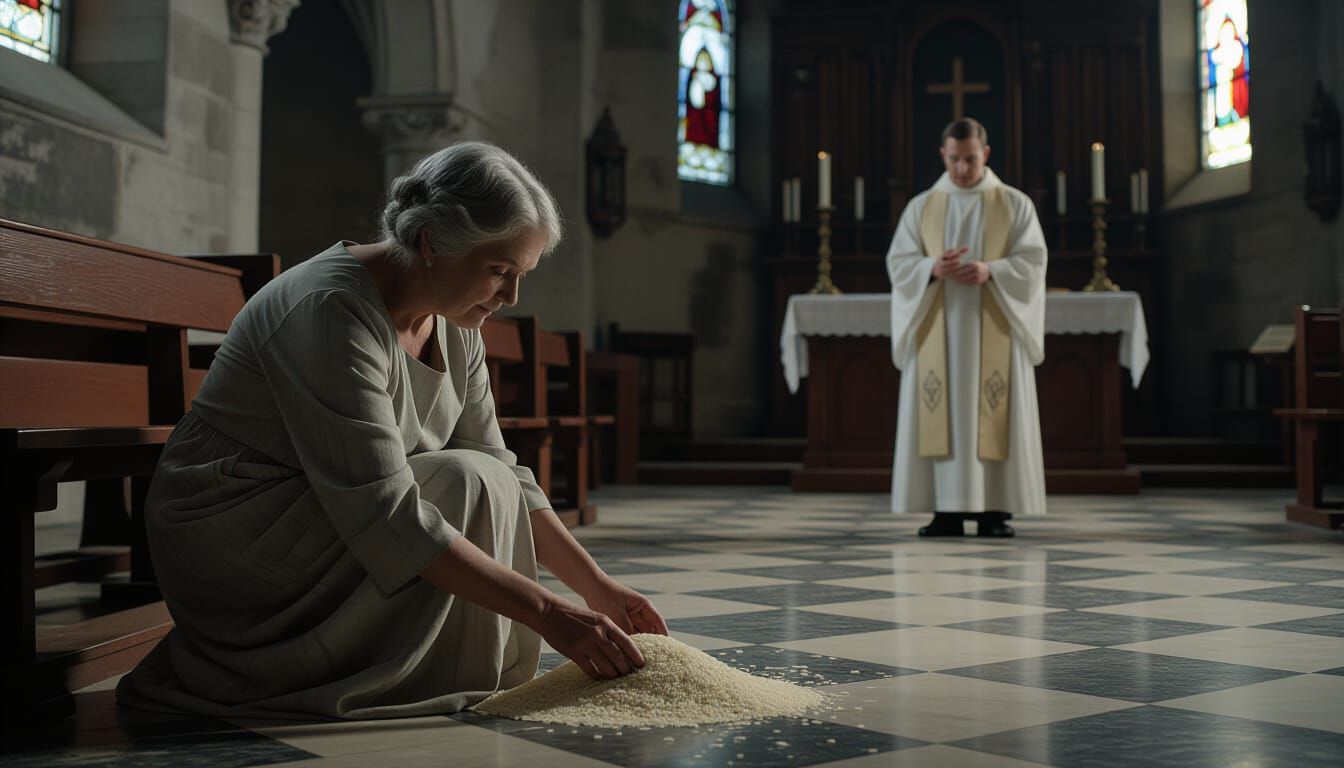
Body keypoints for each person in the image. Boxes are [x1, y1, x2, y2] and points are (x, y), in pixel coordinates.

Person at [117, 142, 669, 720]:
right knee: (464, 480)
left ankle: (426, 669)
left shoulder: (456, 323)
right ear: (431, 242)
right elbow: (385, 509)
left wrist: (597, 587)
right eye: (499, 271)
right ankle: (375, 671)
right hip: (238, 530)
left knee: (489, 478)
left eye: (520, 274)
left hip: (322, 512)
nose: (510, 297)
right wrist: (551, 614)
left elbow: (506, 470)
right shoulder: (330, 307)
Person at [885, 118, 1047, 538]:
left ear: (986, 154)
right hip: (937, 328)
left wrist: (990, 270)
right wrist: (931, 268)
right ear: (943, 155)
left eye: (970, 159)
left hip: (995, 326)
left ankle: (994, 511)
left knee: (993, 410)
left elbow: (1033, 263)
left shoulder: (1014, 204)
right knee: (944, 411)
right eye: (954, 160)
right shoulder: (922, 207)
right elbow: (899, 264)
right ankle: (946, 511)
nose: (961, 169)